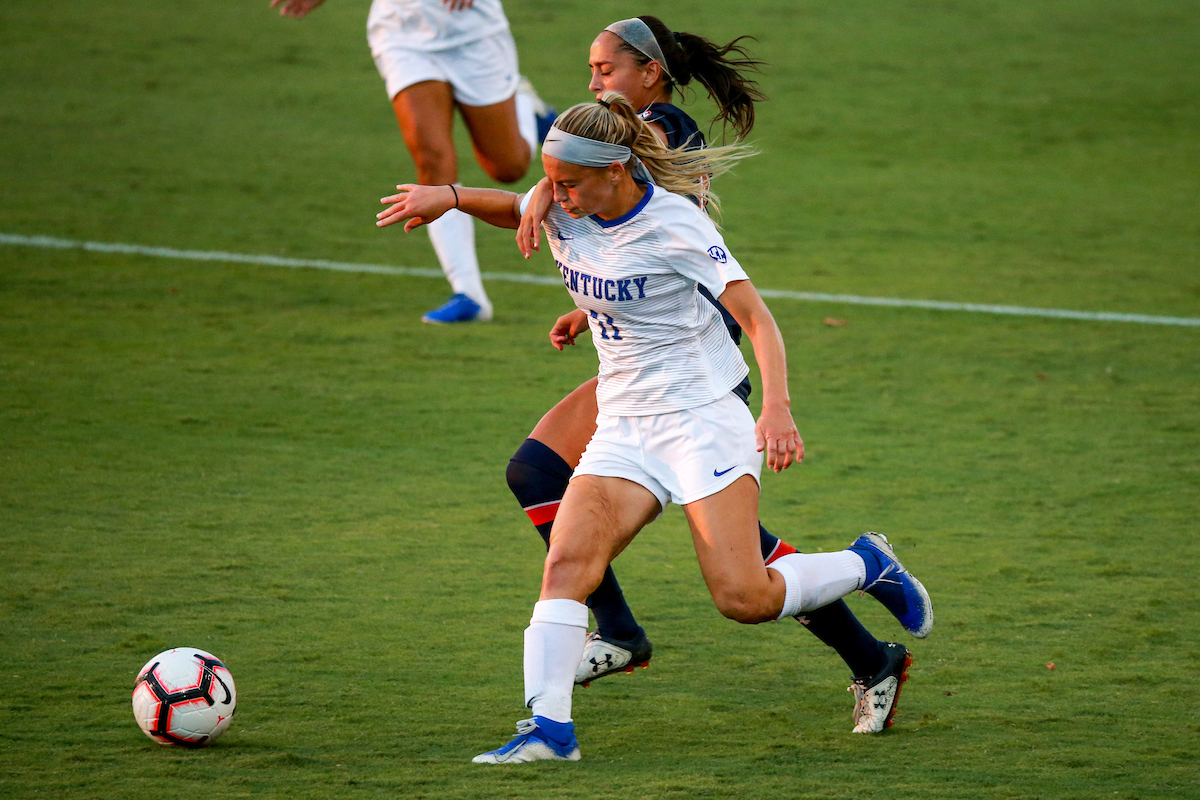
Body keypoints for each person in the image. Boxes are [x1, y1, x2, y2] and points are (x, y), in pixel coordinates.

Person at [375, 94, 933, 763]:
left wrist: (777, 408)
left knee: (743, 597)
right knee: (567, 567)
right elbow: (520, 208)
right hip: (624, 423)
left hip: (702, 421)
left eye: (566, 183)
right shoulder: (563, 198)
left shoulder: (676, 225)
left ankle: (867, 563)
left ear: (617, 170)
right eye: (549, 181)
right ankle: (551, 733)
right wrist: (453, 195)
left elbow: (756, 318)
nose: (552, 195)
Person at [506, 16, 922, 735]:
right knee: (539, 473)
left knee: (743, 573)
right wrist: (587, 295)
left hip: (693, 376)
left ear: (651, 74)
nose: (595, 83)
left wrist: (543, 188)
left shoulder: (657, 131)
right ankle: (616, 641)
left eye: (606, 70)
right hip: (641, 365)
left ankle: (860, 625)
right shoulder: (609, 152)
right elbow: (617, 240)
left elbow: (644, 216)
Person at [272, 0, 556, 323]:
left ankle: (524, 104)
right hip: (401, 30)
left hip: (472, 29)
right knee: (430, 155)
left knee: (508, 167)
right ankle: (469, 294)